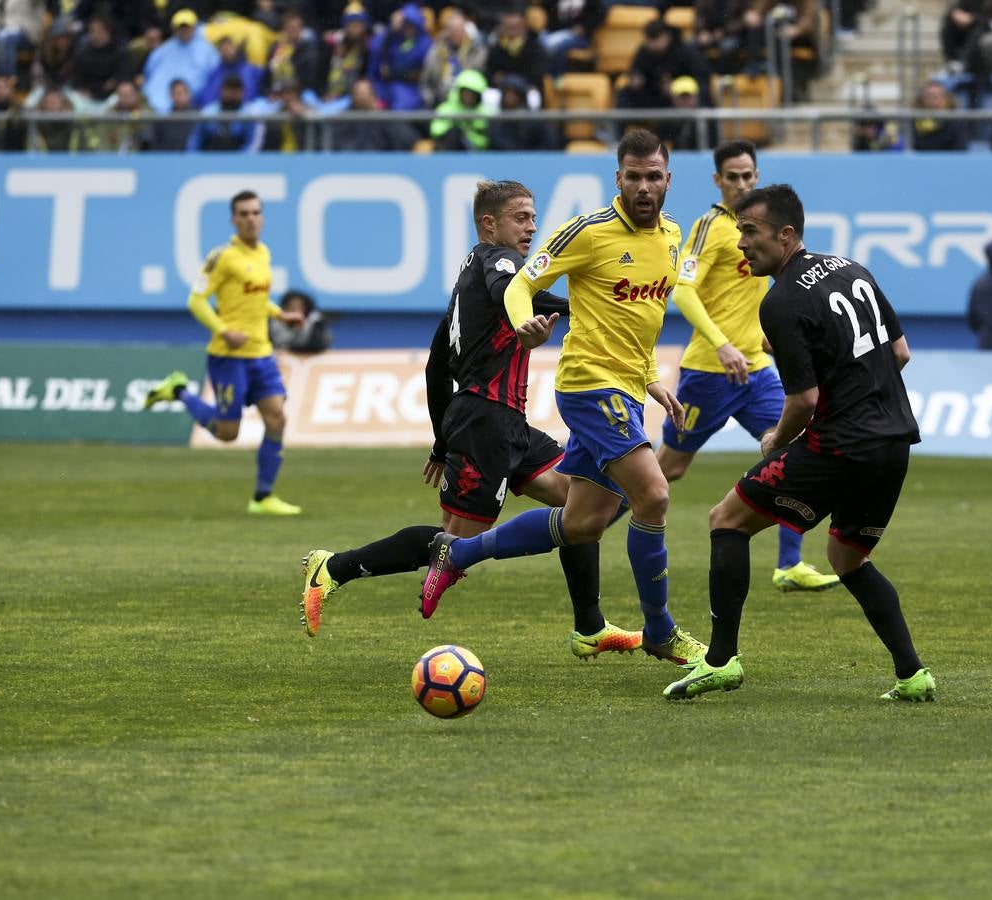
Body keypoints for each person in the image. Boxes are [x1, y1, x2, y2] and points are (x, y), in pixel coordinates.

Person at [300, 182, 641, 660]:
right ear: (490, 224)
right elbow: (511, 291)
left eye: (532, 216)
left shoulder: (466, 280)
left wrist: (442, 441)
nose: (531, 226)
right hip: (485, 421)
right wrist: (584, 307)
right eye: (521, 217)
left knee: (588, 505)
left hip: (505, 424)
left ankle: (590, 626)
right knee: (454, 542)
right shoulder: (498, 264)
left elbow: (436, 363)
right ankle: (333, 567)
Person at [421, 129, 707, 669]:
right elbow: (518, 285)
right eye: (633, 176)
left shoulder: (671, 237)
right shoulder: (587, 232)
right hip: (588, 385)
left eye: (653, 176)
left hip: (626, 386)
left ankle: (456, 553)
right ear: (617, 179)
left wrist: (649, 377)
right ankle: (661, 631)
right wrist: (523, 324)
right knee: (654, 495)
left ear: (668, 180)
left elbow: (640, 320)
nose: (643, 186)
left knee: (582, 522)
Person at [662, 184, 932, 702]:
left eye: (751, 232)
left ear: (786, 235)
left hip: (839, 445)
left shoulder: (780, 300)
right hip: (894, 441)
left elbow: (804, 400)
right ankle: (912, 674)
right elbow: (899, 353)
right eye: (739, 230)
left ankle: (719, 662)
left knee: (726, 520)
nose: (742, 243)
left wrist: (775, 439)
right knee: (848, 559)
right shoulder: (852, 268)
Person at [658, 141, 840, 594]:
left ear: (756, 176)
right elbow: (682, 292)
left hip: (756, 369)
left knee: (795, 449)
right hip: (708, 373)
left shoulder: (765, 228)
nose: (741, 182)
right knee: (667, 470)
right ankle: (591, 522)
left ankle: (789, 564)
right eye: (732, 176)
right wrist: (721, 345)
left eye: (748, 175)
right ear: (718, 180)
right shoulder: (710, 227)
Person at [143, 191, 305, 516]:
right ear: (233, 219)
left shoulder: (263, 253)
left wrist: (279, 315)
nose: (250, 218)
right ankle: (179, 391)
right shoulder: (222, 257)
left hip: (261, 353)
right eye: (243, 213)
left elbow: (256, 299)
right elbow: (196, 300)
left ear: (262, 217)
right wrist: (222, 330)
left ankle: (262, 498)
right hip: (229, 356)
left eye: (256, 212)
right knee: (228, 433)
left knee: (277, 418)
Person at [142, 9, 219, 112]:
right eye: (180, 27)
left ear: (195, 28)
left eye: (187, 27)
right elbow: (148, 73)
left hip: (193, 107)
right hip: (155, 109)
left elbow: (214, 79)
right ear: (174, 29)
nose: (184, 30)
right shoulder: (162, 50)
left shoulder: (208, 51)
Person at [429, 67, 494, 151]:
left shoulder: (486, 113)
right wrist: (458, 125)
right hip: (451, 152)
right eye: (466, 93)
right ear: (459, 92)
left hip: (476, 154)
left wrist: (469, 133)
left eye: (472, 94)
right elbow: (436, 131)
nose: (468, 97)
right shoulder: (446, 109)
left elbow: (486, 140)